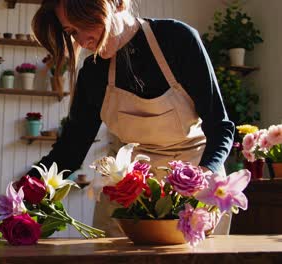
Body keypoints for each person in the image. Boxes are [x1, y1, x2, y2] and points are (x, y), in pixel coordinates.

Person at [27, 0, 235, 236]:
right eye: (72, 31)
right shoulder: (93, 74)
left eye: (86, 23)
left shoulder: (176, 39)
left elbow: (220, 127)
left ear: (117, 4)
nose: (83, 40)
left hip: (196, 173)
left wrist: (205, 176)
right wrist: (24, 188)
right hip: (129, 184)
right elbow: (70, 151)